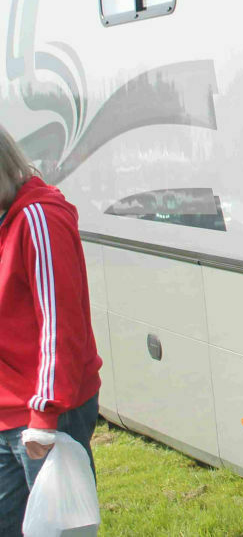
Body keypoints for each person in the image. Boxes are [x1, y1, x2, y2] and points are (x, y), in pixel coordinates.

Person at [0, 125, 102, 535]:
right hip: (6, 408)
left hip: (45, 413)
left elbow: (60, 324)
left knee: (56, 529)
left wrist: (44, 415)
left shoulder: (38, 219)